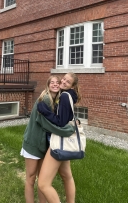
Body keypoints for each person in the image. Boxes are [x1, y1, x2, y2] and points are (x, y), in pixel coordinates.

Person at [21, 75, 75, 203]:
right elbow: (47, 124)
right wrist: (69, 130)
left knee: (41, 180)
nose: (56, 84)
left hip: (43, 145)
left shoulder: (56, 99)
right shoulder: (45, 98)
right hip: (33, 143)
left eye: (58, 82)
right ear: (47, 85)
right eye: (52, 82)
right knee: (30, 178)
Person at [37, 72, 81, 203]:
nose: (63, 82)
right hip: (66, 142)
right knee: (66, 176)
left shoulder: (65, 96)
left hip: (58, 141)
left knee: (43, 184)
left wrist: (44, 111)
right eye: (64, 79)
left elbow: (60, 122)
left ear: (72, 86)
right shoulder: (69, 95)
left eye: (67, 82)